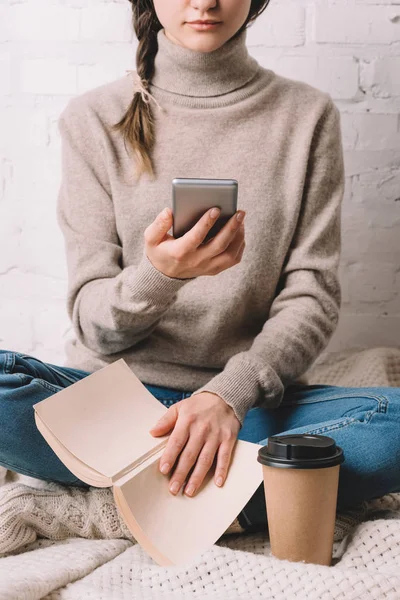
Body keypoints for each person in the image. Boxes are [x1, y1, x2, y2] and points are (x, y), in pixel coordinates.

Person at [1, 0, 399, 536]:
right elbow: (94, 324)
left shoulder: (306, 115)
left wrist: (226, 396)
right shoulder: (93, 117)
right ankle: (240, 495)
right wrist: (161, 275)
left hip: (246, 409)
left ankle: (131, 496)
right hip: (113, 406)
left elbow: (312, 297)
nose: (205, 1)